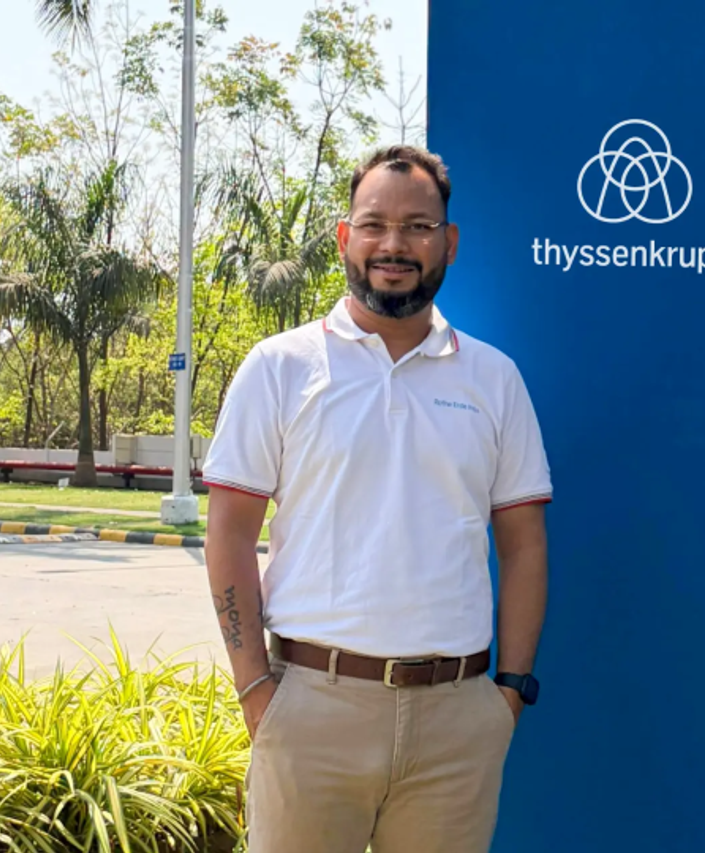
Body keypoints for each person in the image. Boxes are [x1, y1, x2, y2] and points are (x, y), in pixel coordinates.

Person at [202, 145, 552, 853]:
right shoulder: (278, 368)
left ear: (448, 243)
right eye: (374, 225)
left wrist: (507, 694)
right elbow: (230, 535)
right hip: (311, 708)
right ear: (345, 238)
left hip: (457, 720)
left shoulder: (495, 379)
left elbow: (524, 545)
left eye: (419, 226)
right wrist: (256, 694)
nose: (394, 245)